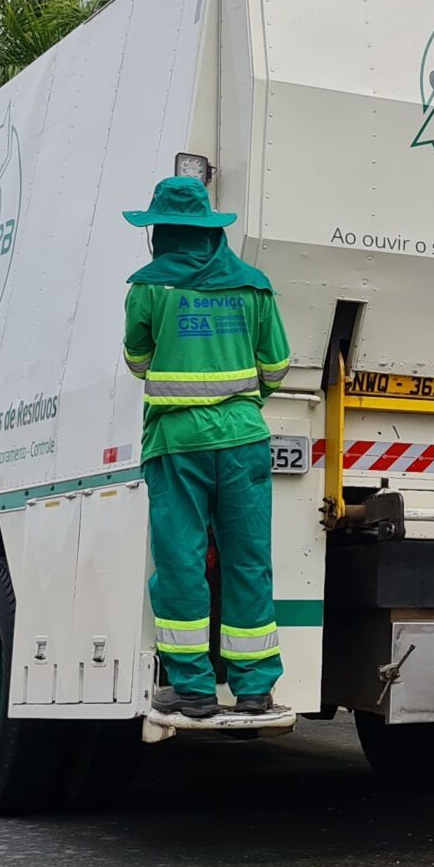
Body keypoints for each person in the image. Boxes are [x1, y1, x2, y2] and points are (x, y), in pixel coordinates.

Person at [121, 175, 292, 720]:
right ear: (210, 231)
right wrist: (239, 399)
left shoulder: (149, 288)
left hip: (176, 444)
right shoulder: (253, 285)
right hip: (244, 442)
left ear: (160, 233)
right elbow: (277, 367)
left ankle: (192, 688)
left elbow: (137, 361)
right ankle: (254, 688)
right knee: (248, 560)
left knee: (181, 562)